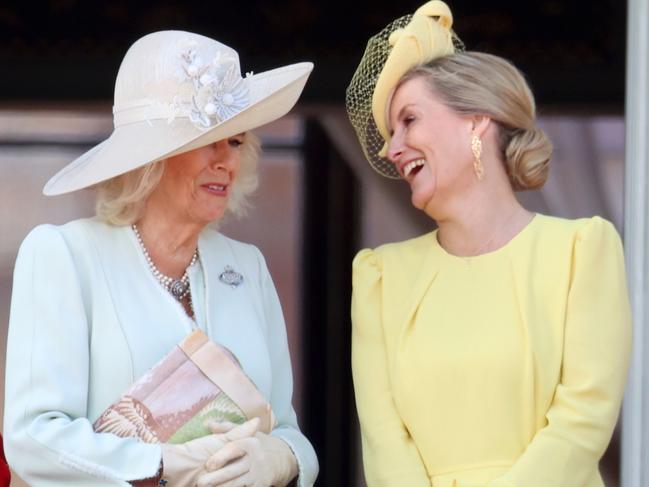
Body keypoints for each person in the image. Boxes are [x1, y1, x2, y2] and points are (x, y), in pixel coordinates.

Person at [4, 30, 318, 487]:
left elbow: (285, 426)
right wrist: (162, 466)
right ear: (150, 159)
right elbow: (33, 438)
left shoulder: (247, 267)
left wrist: (283, 458)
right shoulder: (65, 255)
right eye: (207, 139)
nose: (225, 161)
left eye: (235, 142)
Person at [346, 2, 632, 486]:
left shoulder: (581, 251)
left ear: (477, 121)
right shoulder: (379, 276)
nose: (391, 148)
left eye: (409, 120)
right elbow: (384, 441)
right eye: (391, 132)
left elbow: (583, 419)